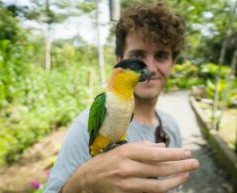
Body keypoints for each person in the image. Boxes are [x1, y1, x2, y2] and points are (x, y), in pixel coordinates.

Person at [45, 3, 199, 193]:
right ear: (118, 60)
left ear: (173, 63)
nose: (149, 68)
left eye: (161, 56)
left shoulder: (171, 126)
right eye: (138, 56)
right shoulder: (84, 125)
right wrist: (83, 181)